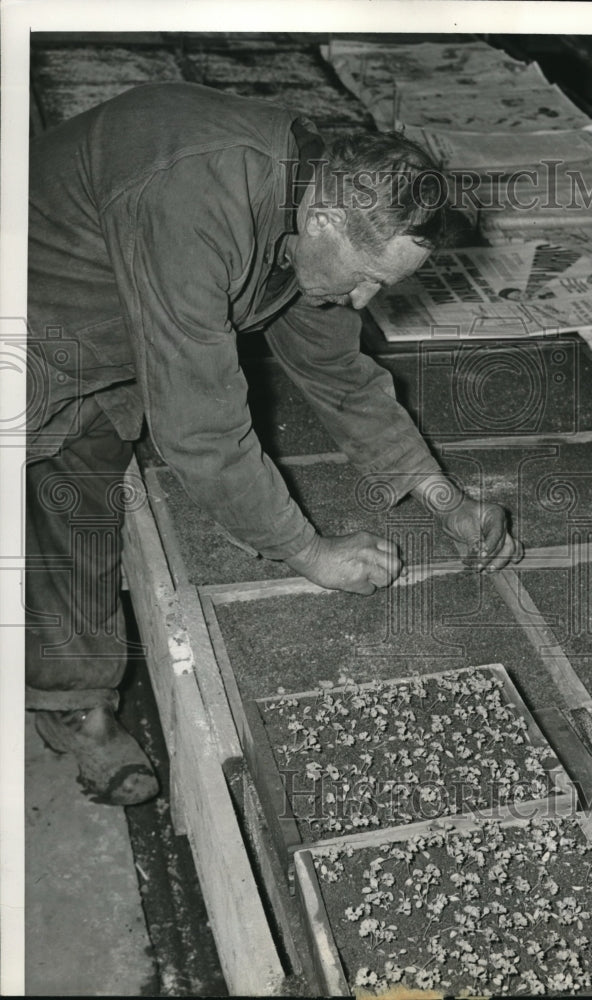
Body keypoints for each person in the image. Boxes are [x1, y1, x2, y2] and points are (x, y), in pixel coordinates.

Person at [26, 82, 522, 806]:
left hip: (107, 341)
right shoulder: (198, 196)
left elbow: (339, 376)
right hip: (28, 314)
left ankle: (75, 704)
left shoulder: (309, 217)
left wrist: (445, 501)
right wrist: (306, 551)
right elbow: (200, 424)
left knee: (78, 504)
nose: (362, 302)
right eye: (367, 281)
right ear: (324, 221)